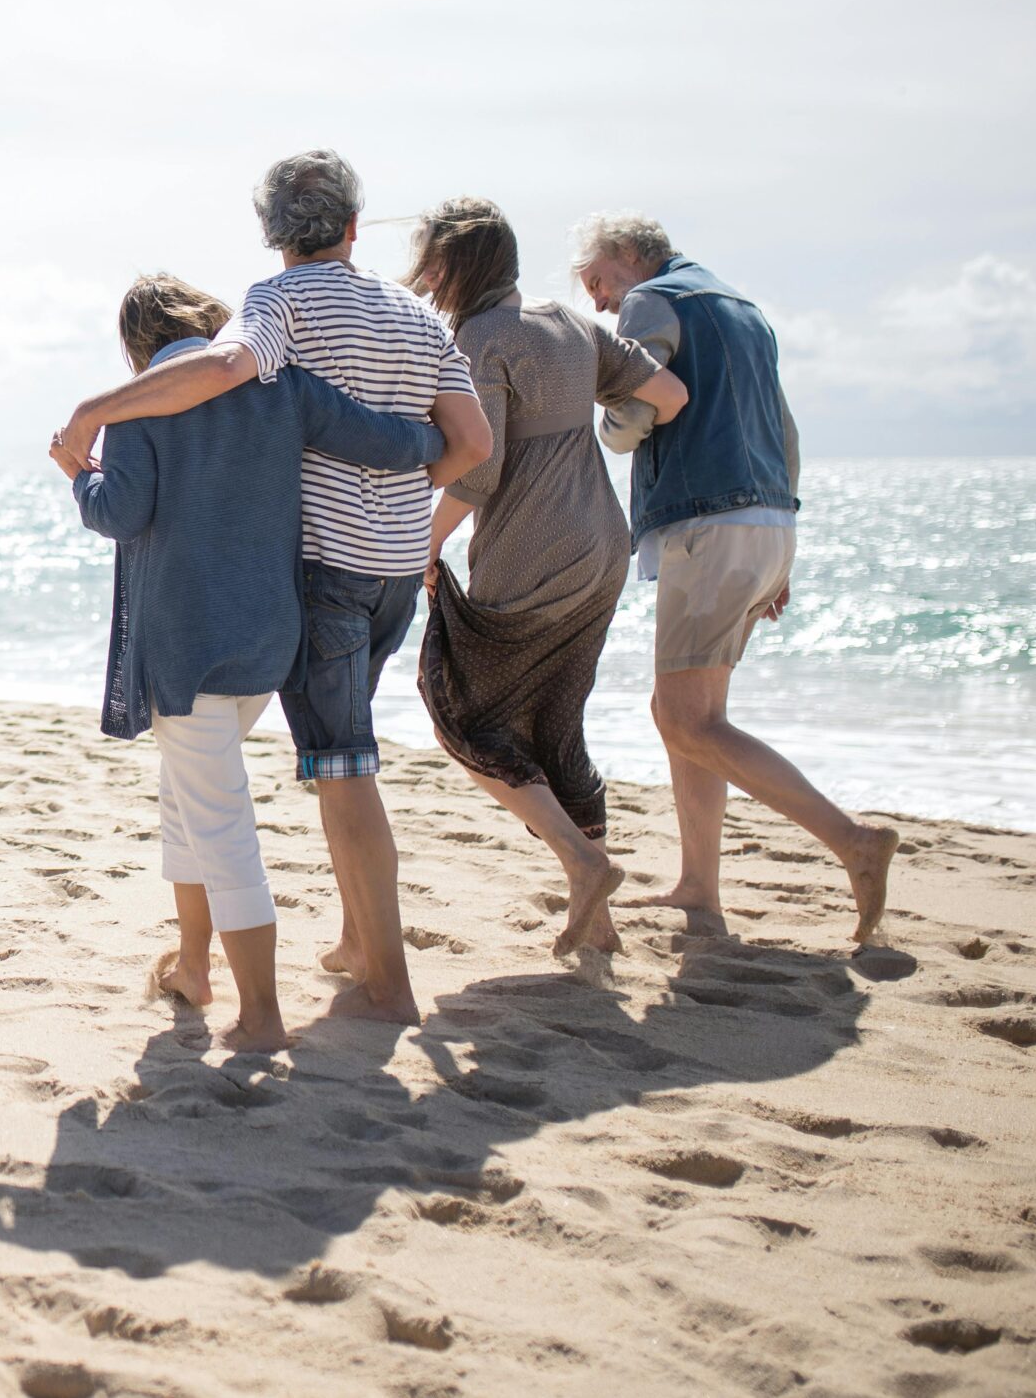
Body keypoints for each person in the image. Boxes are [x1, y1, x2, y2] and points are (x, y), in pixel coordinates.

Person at [51, 151, 492, 1025]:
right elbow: (452, 442)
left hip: (264, 610)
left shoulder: (230, 346)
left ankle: (315, 996)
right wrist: (412, 482)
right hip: (375, 583)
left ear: (270, 234)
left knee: (304, 785)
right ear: (356, 227)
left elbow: (181, 428)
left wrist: (90, 437)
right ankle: (211, 961)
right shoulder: (396, 326)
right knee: (219, 790)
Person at [573, 213, 898, 942]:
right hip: (767, 519)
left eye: (597, 281)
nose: (598, 301)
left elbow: (634, 410)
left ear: (630, 256)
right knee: (689, 713)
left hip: (708, 523)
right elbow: (785, 431)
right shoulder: (742, 307)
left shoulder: (651, 301)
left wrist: (605, 423)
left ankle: (853, 841)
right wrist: (781, 535)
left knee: (686, 718)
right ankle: (698, 885)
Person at [405, 198, 690, 956]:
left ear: (459, 264)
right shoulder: (568, 321)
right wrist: (589, 427)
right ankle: (599, 927)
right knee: (558, 723)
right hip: (603, 549)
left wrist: (420, 548)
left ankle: (582, 858)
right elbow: (668, 394)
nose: (426, 278)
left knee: (459, 705)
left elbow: (479, 469)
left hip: (536, 551)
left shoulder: (478, 337)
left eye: (432, 261)